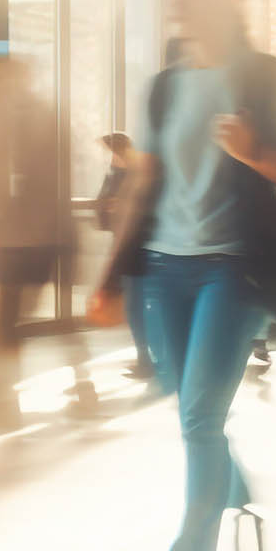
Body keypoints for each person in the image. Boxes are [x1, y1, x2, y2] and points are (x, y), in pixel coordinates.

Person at [90, 0, 276, 551]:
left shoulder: (268, 77)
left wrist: (258, 153)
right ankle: (233, 488)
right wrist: (113, 274)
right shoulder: (166, 86)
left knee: (199, 415)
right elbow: (145, 186)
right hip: (162, 271)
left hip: (234, 270)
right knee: (187, 405)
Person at [0, 53, 75, 432]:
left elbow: (32, 176)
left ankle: (5, 405)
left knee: (8, 325)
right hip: (29, 234)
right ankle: (78, 388)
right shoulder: (28, 114)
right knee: (18, 324)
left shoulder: (28, 117)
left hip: (30, 236)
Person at [96, 133, 157, 381]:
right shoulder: (117, 175)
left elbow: (135, 212)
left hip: (138, 250)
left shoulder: (138, 176)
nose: (112, 157)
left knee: (137, 307)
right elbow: (103, 208)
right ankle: (146, 358)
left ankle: (147, 360)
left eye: (114, 152)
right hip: (130, 250)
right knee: (136, 306)